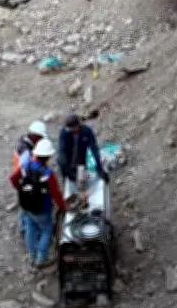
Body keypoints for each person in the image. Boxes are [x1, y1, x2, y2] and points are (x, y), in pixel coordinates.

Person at [9, 138, 67, 269]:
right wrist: (63, 207)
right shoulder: (48, 174)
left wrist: (20, 190)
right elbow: (56, 194)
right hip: (42, 209)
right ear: (47, 157)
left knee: (30, 228)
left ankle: (32, 255)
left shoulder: (25, 165)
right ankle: (41, 258)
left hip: (26, 206)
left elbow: (13, 178)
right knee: (47, 230)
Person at [12, 120, 48, 237]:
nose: (41, 140)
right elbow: (25, 169)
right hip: (25, 180)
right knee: (26, 205)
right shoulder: (26, 151)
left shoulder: (23, 140)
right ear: (34, 135)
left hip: (21, 179)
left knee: (24, 204)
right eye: (40, 137)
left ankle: (24, 227)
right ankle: (24, 228)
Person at [57, 114, 109, 185]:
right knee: (69, 183)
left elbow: (94, 149)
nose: (73, 132)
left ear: (79, 125)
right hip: (67, 163)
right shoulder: (64, 133)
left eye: (75, 129)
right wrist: (67, 171)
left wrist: (100, 169)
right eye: (71, 130)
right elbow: (62, 151)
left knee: (82, 183)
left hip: (80, 162)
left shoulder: (87, 131)